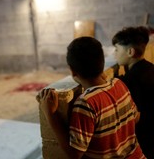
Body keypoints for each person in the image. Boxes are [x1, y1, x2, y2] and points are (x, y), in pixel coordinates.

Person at [39, 37, 145, 159]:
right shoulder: (119, 84)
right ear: (102, 64)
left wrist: (51, 115)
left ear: (73, 71)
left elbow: (75, 154)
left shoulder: (85, 103)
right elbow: (136, 118)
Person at [112, 26, 154, 158]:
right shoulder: (150, 68)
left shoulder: (130, 80)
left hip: (145, 140)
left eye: (117, 49)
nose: (114, 53)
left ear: (130, 52)